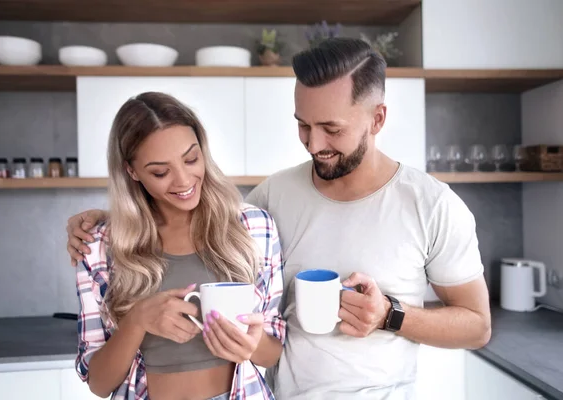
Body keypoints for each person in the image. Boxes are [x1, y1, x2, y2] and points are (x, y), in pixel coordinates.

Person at [67, 38, 491, 399]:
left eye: (331, 128)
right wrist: (108, 219)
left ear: (377, 118)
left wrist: (391, 315)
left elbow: (477, 327)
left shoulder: (432, 205)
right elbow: (196, 213)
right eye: (303, 125)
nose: (314, 143)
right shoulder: (273, 197)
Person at [73, 91, 285, 400]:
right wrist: (137, 321)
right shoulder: (99, 245)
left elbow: (272, 353)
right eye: (160, 172)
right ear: (132, 172)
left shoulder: (254, 228)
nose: (184, 180)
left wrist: (252, 345)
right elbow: (99, 383)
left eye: (191, 159)